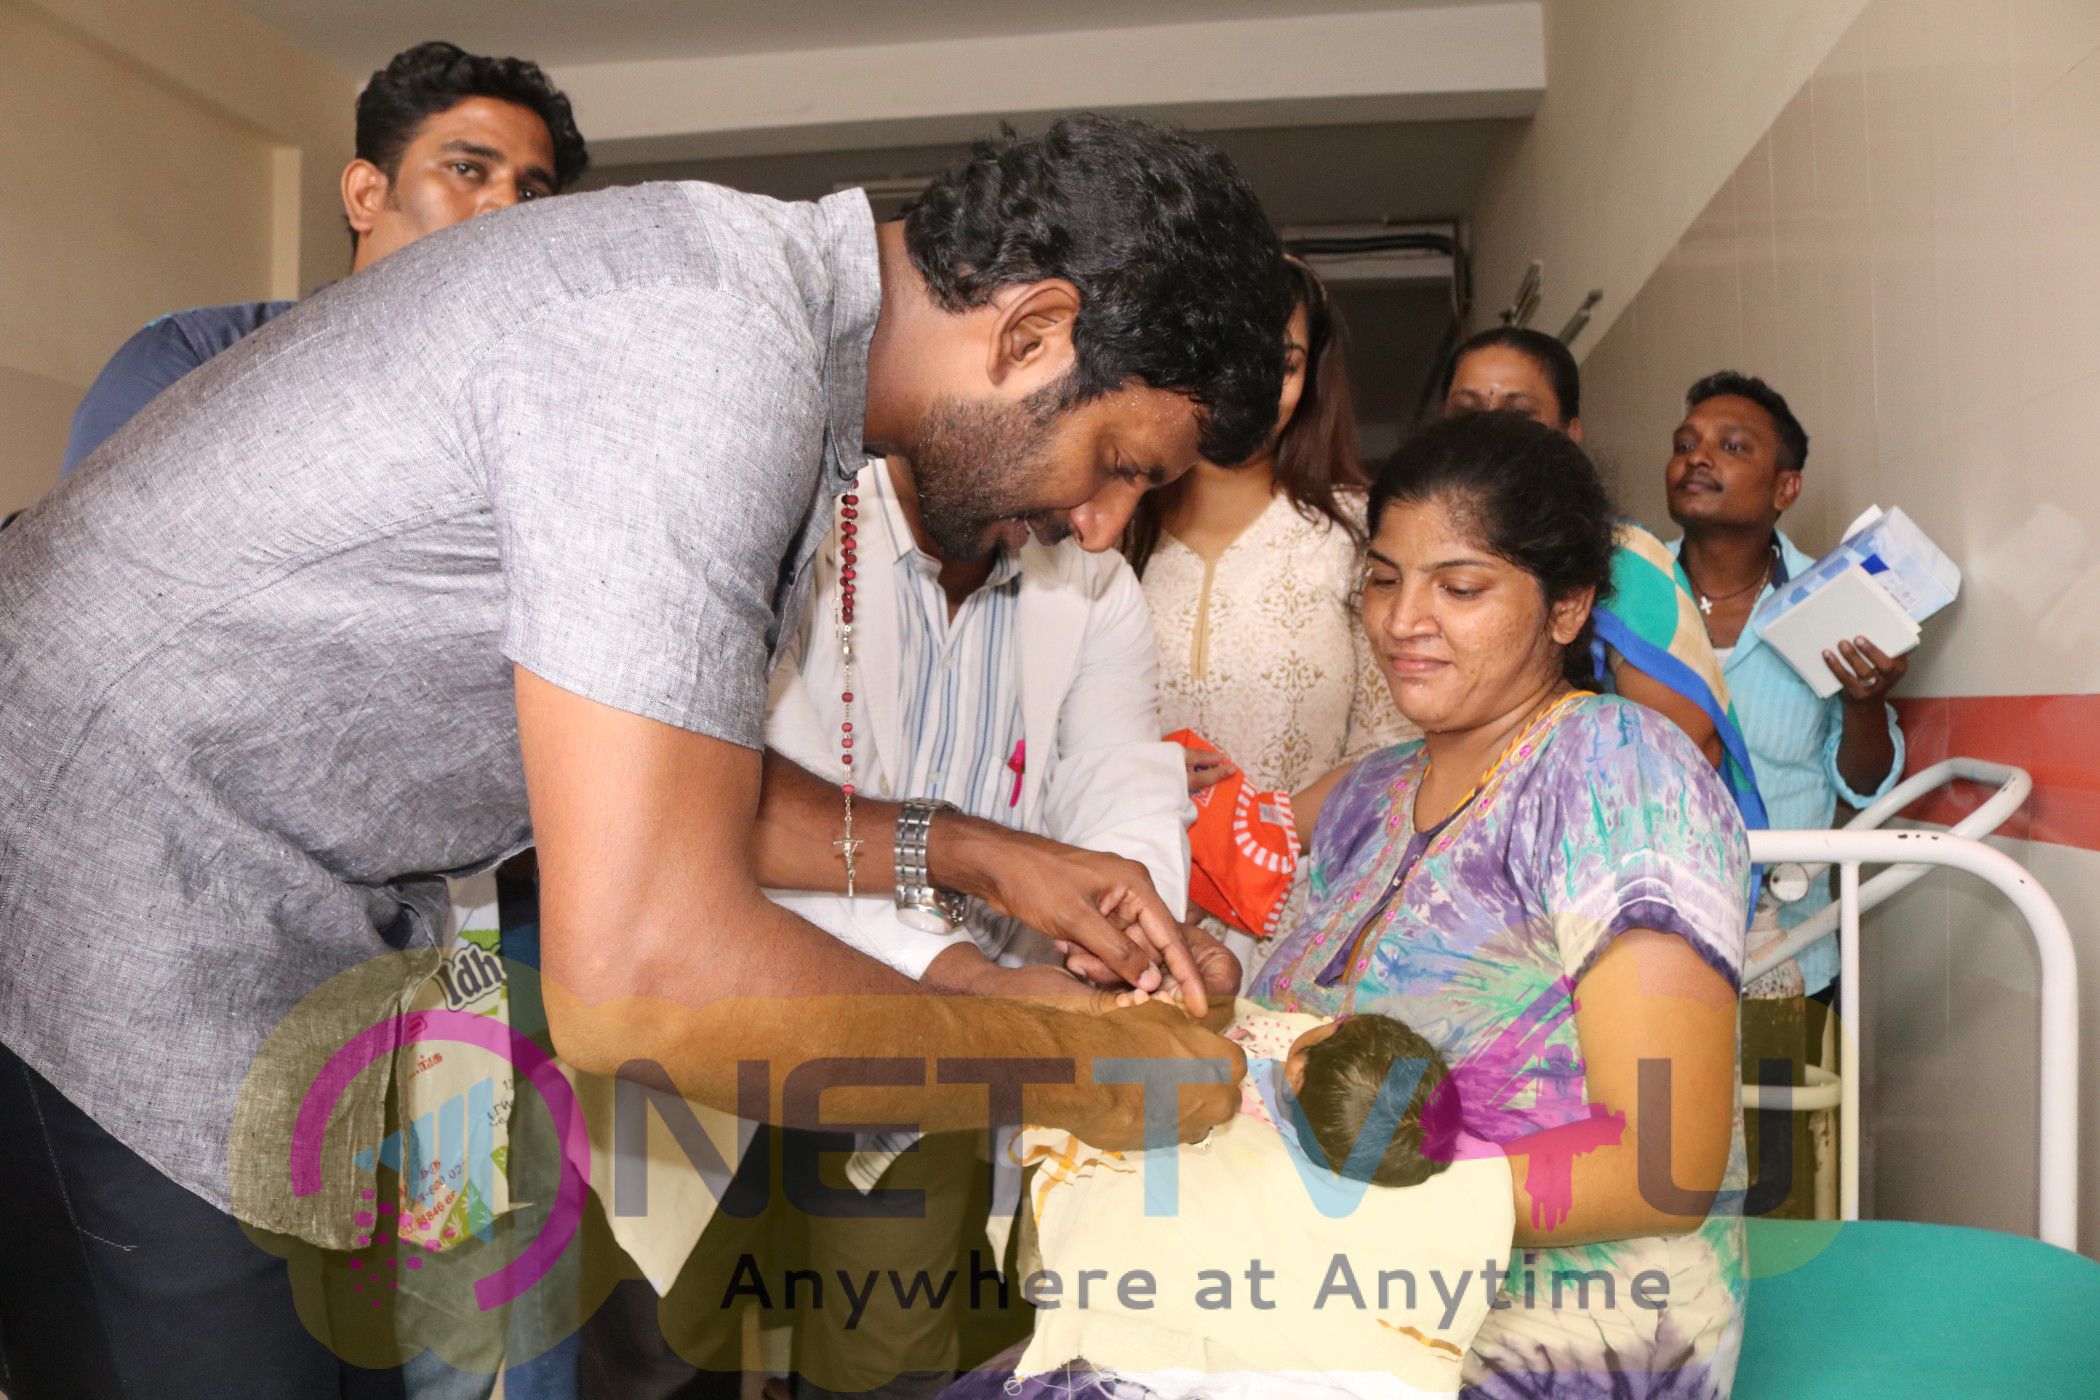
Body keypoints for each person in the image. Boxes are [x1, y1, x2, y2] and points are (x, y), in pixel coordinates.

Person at [0, 114, 1285, 1396]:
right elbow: (645, 981)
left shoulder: (750, 308)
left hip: (215, 889)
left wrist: (979, 852)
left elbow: (662, 764)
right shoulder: (702, 351)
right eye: (1117, 461)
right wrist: (1069, 1066)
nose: (1099, 519)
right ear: (1031, 331)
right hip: (108, 887)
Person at [948, 410, 1753, 1397]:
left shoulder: (1620, 773)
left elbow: (1663, 1162)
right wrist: (1213, 998)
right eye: (1382, 577)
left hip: (1551, 1323)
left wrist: (1350, 1202)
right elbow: (1319, 1048)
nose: (1404, 618)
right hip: (1331, 1278)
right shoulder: (1366, 797)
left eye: (1460, 586)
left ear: (1568, 606)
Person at [580, 450, 1194, 1399]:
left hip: (937, 1059)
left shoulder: (1093, 582)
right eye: (1109, 464)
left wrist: (1133, 939)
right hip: (721, 1017)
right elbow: (739, 813)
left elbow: (1111, 780)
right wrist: (974, 981)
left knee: (885, 1354)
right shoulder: (792, 521)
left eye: (1143, 489)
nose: (1108, 524)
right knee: (662, 1341)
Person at [60, 39, 591, 476]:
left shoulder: (552, 408)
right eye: (466, 169)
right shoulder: (195, 359)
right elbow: (90, 576)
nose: (502, 207)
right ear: (365, 195)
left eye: (529, 194)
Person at [1124, 257, 1413, 982]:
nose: (1251, 391)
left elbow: (1397, 743)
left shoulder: (1362, 532)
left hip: (1313, 921)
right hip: (1125, 918)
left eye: (1279, 365)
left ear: (1310, 376)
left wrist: (1250, 847)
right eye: (1227, 359)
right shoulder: (1103, 532)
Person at [1665, 371, 1905, 1221]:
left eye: (1734, 447)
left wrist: (1865, 703)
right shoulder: (1621, 597)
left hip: (1787, 951)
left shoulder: (1835, 607)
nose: (1699, 458)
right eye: (1688, 442)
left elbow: (1866, 786)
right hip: (1647, 943)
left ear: (1786, 486)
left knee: (1779, 1188)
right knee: (1664, 1174)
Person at [1439, 326, 1765, 828]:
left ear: (1569, 436)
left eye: (1519, 413)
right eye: (1468, 411)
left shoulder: (1621, 557)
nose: (1490, 431)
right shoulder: (1406, 553)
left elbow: (1685, 752)